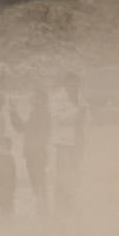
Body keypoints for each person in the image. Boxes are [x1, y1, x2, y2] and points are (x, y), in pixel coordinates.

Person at [49, 72, 88, 213]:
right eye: (71, 83)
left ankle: (71, 201)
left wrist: (83, 116)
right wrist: (76, 112)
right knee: (62, 173)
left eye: (77, 83)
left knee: (75, 171)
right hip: (64, 142)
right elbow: (58, 119)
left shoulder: (80, 96)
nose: (74, 86)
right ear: (65, 84)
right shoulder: (57, 98)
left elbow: (86, 117)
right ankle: (60, 203)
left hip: (79, 139)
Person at [10, 87, 51, 215]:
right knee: (37, 179)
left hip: (36, 152)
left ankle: (43, 208)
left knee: (38, 179)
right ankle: (42, 206)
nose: (31, 100)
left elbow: (23, 128)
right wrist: (13, 113)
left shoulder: (41, 113)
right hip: (35, 151)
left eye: (33, 98)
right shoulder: (38, 112)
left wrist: (13, 113)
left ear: (41, 99)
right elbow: (23, 128)